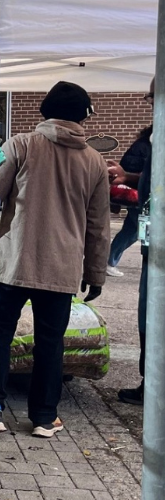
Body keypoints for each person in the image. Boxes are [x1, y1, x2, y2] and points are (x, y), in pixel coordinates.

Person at [0, 81, 110, 438]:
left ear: (45, 110)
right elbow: (98, 223)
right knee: (51, 341)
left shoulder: (22, 145)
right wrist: (96, 273)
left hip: (14, 260)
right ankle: (45, 417)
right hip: (63, 266)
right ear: (82, 118)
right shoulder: (94, 161)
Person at [108, 77, 155, 405]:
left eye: (153, 97)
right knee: (146, 311)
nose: (150, 104)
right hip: (153, 235)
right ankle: (148, 382)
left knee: (151, 310)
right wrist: (129, 177)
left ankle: (152, 386)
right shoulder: (155, 136)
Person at [106, 84, 154, 277]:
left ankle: (108, 261)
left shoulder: (144, 144)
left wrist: (126, 177)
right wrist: (126, 178)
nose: (151, 105)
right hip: (142, 200)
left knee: (135, 231)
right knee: (134, 232)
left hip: (142, 198)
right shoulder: (146, 146)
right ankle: (109, 261)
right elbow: (143, 174)